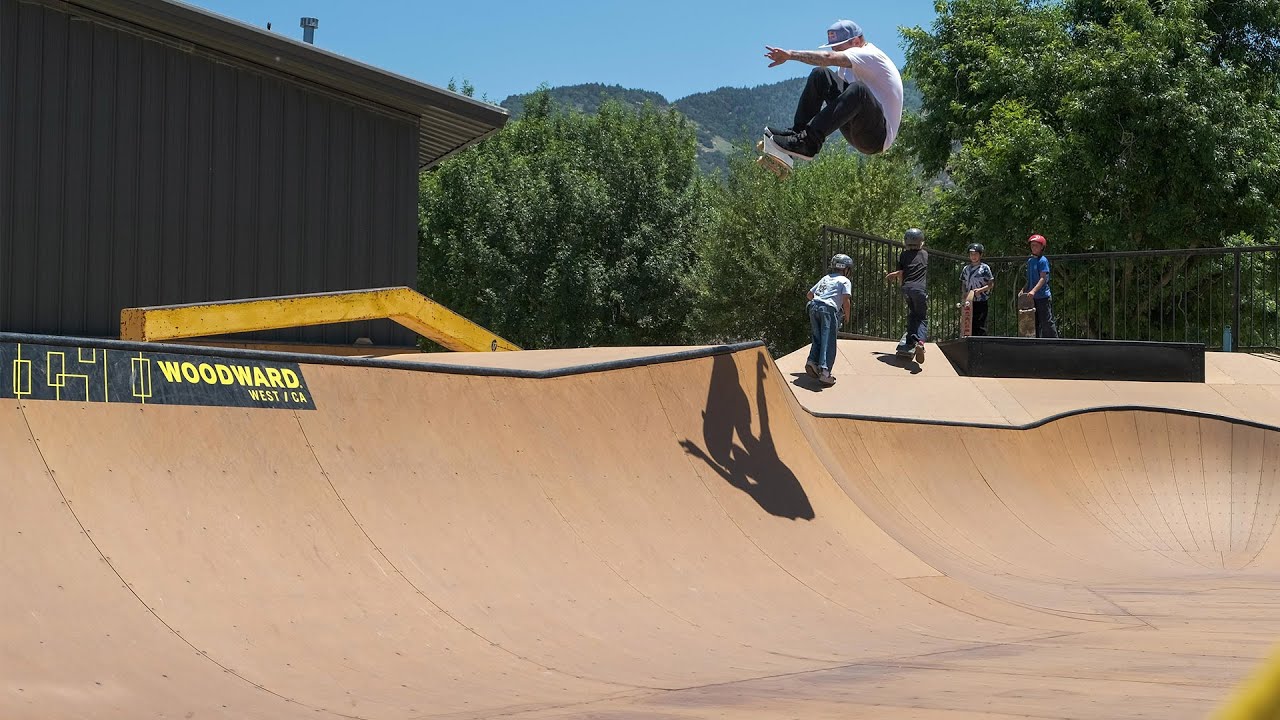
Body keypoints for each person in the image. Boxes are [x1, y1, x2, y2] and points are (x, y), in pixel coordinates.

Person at [763, 19, 904, 160]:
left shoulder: (869, 54)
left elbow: (827, 58)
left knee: (859, 90)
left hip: (877, 137)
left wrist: (790, 55)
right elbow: (841, 102)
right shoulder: (845, 68)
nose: (834, 50)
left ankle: (808, 143)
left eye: (838, 46)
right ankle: (796, 137)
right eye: (833, 46)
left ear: (856, 42)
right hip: (855, 128)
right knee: (820, 74)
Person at [806, 253, 853, 386]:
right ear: (846, 269)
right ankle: (825, 372)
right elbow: (846, 300)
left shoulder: (826, 278)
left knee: (817, 337)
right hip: (828, 310)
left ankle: (812, 361)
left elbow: (809, 294)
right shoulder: (844, 281)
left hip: (814, 306)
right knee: (828, 340)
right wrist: (847, 316)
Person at [884, 228, 928, 363]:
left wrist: (895, 276)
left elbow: (902, 272)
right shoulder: (925, 254)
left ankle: (910, 338)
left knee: (912, 314)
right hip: (919, 290)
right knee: (921, 317)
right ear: (921, 242)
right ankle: (920, 342)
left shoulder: (903, 255)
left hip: (906, 289)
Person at [1021, 234, 1059, 338]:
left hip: (1042, 296)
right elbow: (1030, 279)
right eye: (1032, 245)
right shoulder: (1030, 261)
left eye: (1036, 245)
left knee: (1046, 321)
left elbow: (1043, 278)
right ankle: (1036, 343)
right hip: (1032, 298)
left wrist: (1033, 291)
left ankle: (1054, 342)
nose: (1033, 247)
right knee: (1033, 322)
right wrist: (1024, 289)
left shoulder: (1043, 260)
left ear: (1042, 247)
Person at [960, 243, 995, 336]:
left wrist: (980, 290)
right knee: (969, 323)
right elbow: (963, 283)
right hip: (969, 301)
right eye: (971, 254)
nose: (973, 256)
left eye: (975, 254)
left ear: (980, 255)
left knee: (980, 324)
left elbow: (991, 284)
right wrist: (964, 293)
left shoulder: (984, 268)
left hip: (981, 300)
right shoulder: (965, 269)